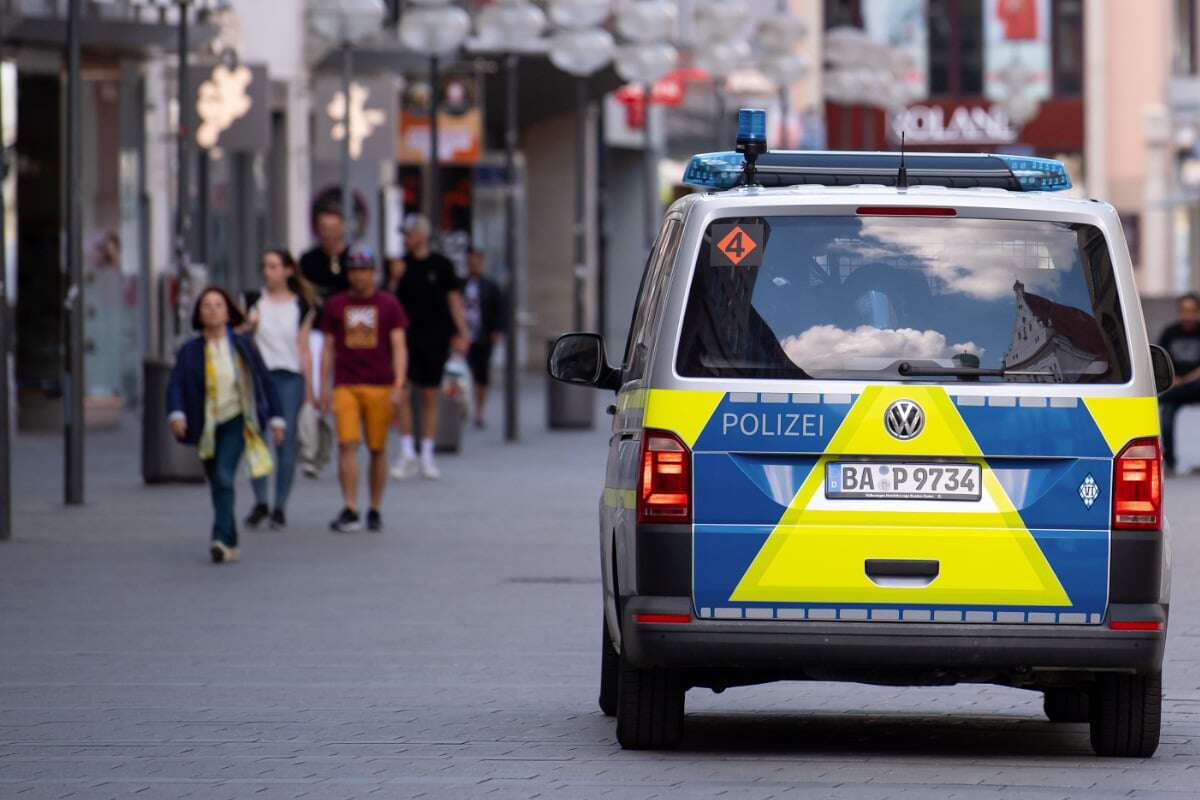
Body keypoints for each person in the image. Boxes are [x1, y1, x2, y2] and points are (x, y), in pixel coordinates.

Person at [167, 287, 284, 564]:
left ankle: (218, 537)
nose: (212, 310)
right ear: (198, 313)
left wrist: (277, 418)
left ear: (228, 312)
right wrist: (176, 414)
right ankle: (229, 541)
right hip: (206, 425)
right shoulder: (190, 351)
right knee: (217, 482)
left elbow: (264, 380)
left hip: (236, 420)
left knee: (223, 475)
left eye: (218, 305)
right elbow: (176, 385)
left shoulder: (241, 346)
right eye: (206, 306)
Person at [320, 249, 409, 532]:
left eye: (363, 269)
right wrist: (322, 386)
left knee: (377, 448)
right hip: (345, 383)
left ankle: (374, 507)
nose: (358, 275)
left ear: (374, 273)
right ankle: (350, 506)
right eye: (353, 270)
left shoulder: (389, 304)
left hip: (380, 384)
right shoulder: (335, 305)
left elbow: (399, 346)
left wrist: (398, 383)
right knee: (347, 444)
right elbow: (328, 348)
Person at [387, 214, 469, 480]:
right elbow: (388, 301)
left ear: (421, 235)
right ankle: (407, 451)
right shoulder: (401, 265)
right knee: (403, 391)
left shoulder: (441, 265)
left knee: (430, 395)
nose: (406, 239)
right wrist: (395, 278)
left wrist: (462, 330)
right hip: (406, 339)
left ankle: (427, 454)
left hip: (435, 337)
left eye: (409, 233)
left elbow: (453, 300)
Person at [242, 249, 318, 530]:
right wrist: (248, 326)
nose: (267, 271)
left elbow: (304, 348)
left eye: (274, 266)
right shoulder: (252, 300)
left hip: (290, 377)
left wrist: (310, 391)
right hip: (260, 377)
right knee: (257, 439)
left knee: (285, 442)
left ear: (288, 270)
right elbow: (239, 335)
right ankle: (261, 501)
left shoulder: (302, 306)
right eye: (265, 266)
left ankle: (280, 506)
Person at [462, 247, 505, 429]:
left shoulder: (490, 286)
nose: (474, 264)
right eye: (471, 261)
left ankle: (479, 410)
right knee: (463, 374)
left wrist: (497, 331)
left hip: (483, 336)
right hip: (465, 336)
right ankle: (464, 407)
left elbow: (499, 310)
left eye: (477, 261)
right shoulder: (461, 284)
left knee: (481, 375)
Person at [1158, 292, 1200, 473]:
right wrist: (1173, 378)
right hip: (1176, 385)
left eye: (1191, 311)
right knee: (1166, 415)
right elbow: (1161, 360)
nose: (1187, 316)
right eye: (1184, 311)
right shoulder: (1170, 332)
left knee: (1167, 396)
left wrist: (1186, 380)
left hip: (1196, 383)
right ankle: (1170, 461)